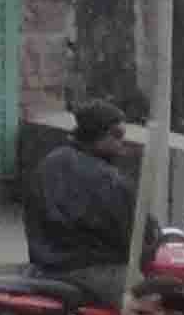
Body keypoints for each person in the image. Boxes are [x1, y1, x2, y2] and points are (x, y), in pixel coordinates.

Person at [25, 102, 139, 298]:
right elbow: (131, 234)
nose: (122, 141)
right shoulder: (109, 179)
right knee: (153, 302)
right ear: (97, 134)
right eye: (117, 134)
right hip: (90, 269)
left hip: (45, 263)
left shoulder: (50, 162)